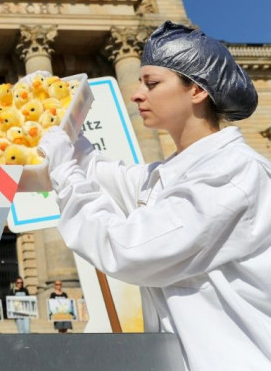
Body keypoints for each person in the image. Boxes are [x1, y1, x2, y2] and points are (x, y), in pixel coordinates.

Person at [37, 21, 270, 369]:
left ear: (197, 91)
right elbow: (114, 177)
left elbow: (129, 250)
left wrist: (64, 172)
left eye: (152, 83)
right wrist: (68, 136)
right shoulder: (178, 172)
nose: (136, 94)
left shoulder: (229, 173)